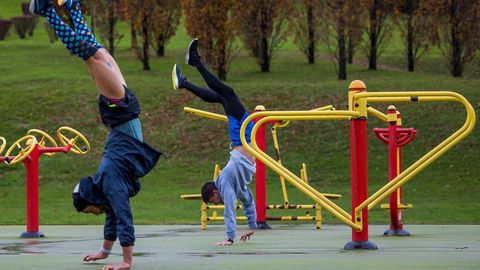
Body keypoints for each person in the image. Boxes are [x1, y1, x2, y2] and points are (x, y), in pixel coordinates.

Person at [30, 1, 162, 269]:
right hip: (122, 110)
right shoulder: (107, 181)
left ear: (91, 199)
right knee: (93, 50)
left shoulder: (109, 181)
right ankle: (71, 6)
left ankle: (47, 10)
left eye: (90, 210)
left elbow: (122, 215)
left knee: (87, 51)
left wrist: (126, 262)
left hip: (120, 110)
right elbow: (114, 215)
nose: (96, 213)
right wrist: (104, 251)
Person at [172, 39, 257, 246]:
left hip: (242, 138)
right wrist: (252, 226)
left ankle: (196, 63)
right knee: (223, 96)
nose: (217, 203)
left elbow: (229, 207)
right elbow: (248, 201)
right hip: (242, 140)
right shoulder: (236, 185)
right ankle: (184, 82)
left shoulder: (225, 181)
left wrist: (230, 237)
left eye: (213, 201)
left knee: (227, 93)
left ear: (215, 191)